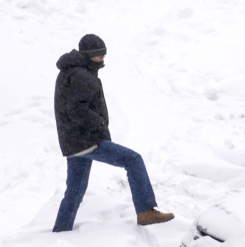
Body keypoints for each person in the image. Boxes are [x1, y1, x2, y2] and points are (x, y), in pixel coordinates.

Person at [52, 34, 174, 232]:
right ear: (89, 54)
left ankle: (60, 231)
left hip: (72, 143)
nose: (102, 58)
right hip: (86, 140)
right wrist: (99, 123)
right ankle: (145, 211)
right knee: (133, 160)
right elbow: (77, 110)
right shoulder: (81, 75)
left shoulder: (71, 71)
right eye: (99, 55)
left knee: (74, 192)